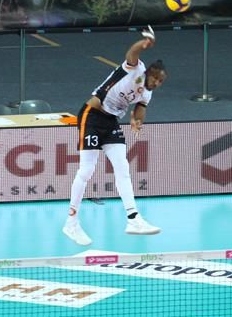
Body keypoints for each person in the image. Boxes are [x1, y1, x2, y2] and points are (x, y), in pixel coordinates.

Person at [62, 29, 166, 246]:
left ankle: (133, 219)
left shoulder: (147, 93)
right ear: (149, 73)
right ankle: (71, 223)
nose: (157, 83)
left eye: (161, 81)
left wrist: (137, 121)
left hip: (111, 122)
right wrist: (144, 43)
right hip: (92, 115)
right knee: (86, 170)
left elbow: (140, 108)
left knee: (122, 167)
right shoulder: (135, 69)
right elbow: (132, 52)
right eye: (156, 78)